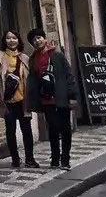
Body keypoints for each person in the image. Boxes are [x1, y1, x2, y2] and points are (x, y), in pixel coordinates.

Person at [26, 30, 77, 169]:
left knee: (65, 130)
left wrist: (72, 96)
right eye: (34, 40)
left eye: (39, 38)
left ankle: (65, 158)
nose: (37, 41)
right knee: (53, 129)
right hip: (46, 100)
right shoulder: (33, 59)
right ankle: (55, 157)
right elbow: (33, 81)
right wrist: (34, 102)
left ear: (44, 39)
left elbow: (69, 75)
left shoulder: (57, 55)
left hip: (61, 97)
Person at [0, 30, 37, 170]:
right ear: (4, 40)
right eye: (8, 38)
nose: (11, 40)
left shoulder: (24, 58)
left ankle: (30, 159)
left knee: (26, 130)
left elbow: (30, 79)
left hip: (23, 100)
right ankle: (15, 159)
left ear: (18, 40)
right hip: (7, 101)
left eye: (14, 38)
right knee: (10, 130)